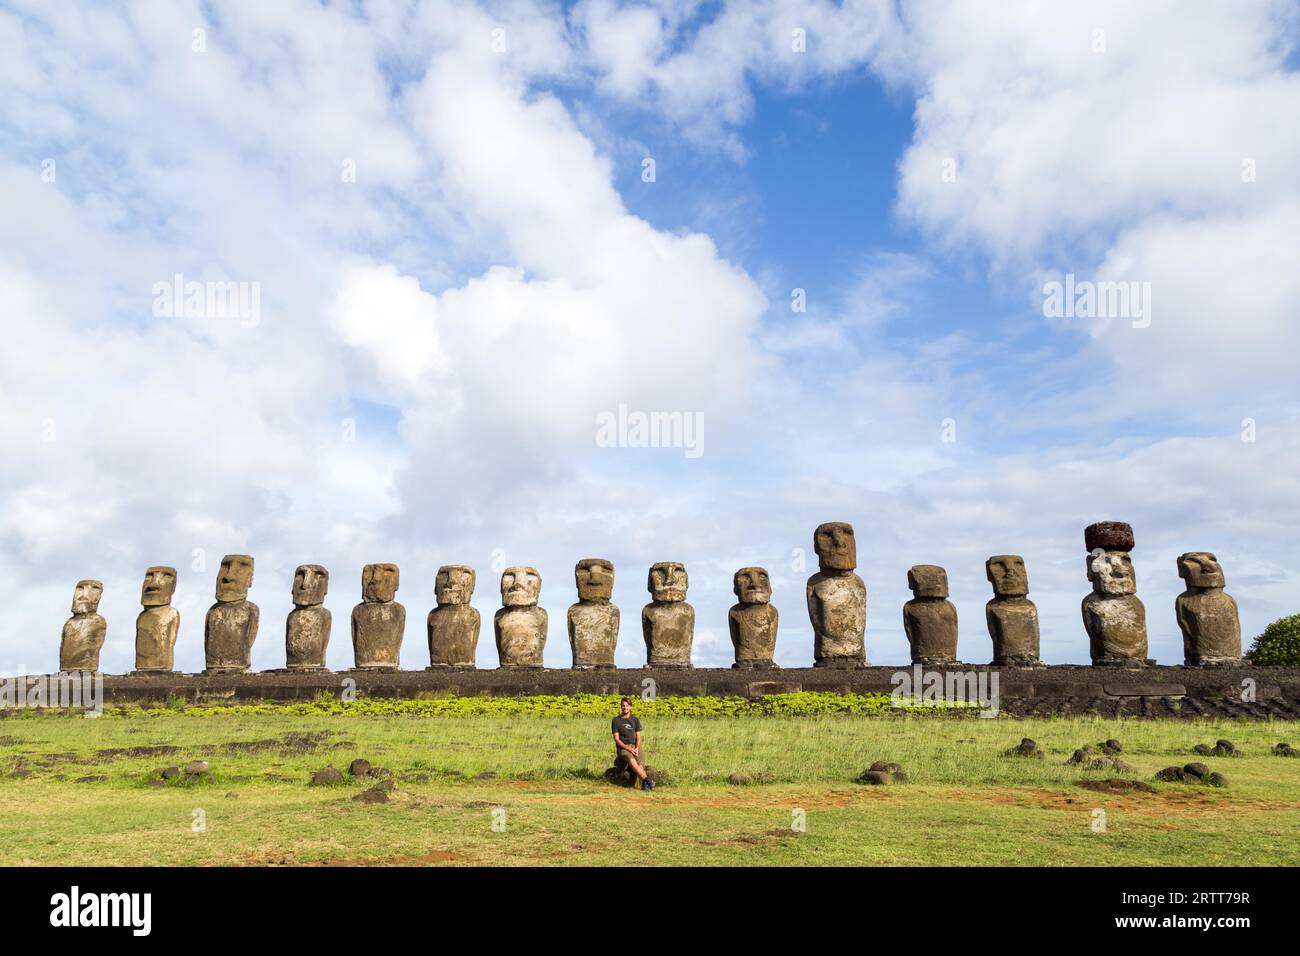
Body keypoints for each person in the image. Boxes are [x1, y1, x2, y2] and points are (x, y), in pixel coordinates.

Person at [611, 697, 654, 790]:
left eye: (627, 706)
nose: (625, 707)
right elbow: (617, 739)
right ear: (620, 707)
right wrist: (629, 749)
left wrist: (637, 748)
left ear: (630, 707)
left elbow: (638, 737)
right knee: (632, 761)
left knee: (640, 766)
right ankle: (648, 781)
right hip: (623, 748)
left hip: (635, 746)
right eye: (623, 706)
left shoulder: (635, 720)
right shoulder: (616, 721)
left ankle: (645, 785)